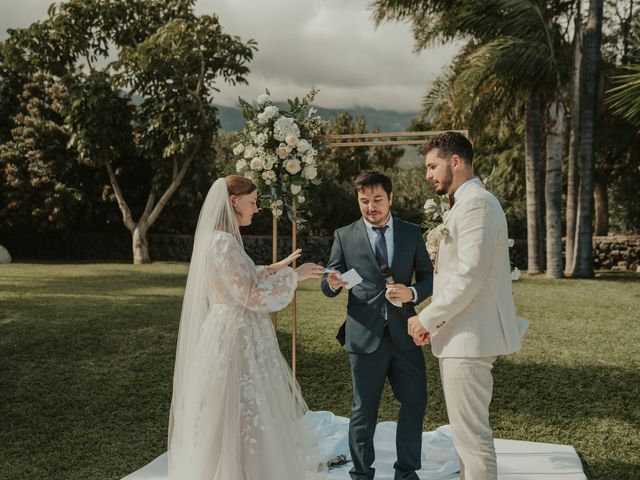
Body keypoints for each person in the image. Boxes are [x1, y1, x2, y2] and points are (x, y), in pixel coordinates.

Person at [167, 175, 327, 480]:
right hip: (237, 333)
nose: (255, 209)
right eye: (252, 202)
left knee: (230, 406)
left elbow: (245, 276)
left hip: (226, 328)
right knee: (242, 406)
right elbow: (250, 294)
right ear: (233, 202)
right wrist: (295, 277)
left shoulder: (215, 239)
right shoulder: (225, 242)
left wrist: (281, 267)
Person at [408, 132, 527, 480]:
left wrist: (427, 319)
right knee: (465, 436)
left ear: (455, 161)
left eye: (433, 166)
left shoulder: (476, 203)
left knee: (471, 437)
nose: (429, 174)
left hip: (469, 338)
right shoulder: (466, 203)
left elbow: (469, 275)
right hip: (461, 333)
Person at [321, 170, 433, 480]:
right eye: (364, 201)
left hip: (406, 333)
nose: (371, 207)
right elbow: (332, 280)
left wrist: (411, 292)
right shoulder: (345, 235)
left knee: (415, 401)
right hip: (363, 335)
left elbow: (429, 278)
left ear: (391, 198)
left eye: (377, 200)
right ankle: (360, 474)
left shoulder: (411, 233)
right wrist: (331, 283)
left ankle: (406, 472)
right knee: (363, 410)